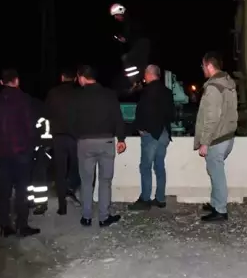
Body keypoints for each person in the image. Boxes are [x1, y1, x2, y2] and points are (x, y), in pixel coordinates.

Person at [0, 69, 40, 237]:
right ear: (16, 81)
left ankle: (4, 226)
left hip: (0, 152)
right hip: (21, 152)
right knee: (22, 189)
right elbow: (31, 126)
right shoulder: (24, 99)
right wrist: (32, 146)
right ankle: (22, 225)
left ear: (1, 82)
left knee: (4, 189)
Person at [69, 65, 126, 227]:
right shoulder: (109, 95)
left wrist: (78, 136)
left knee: (86, 181)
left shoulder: (77, 96)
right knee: (105, 181)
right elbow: (118, 118)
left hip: (85, 142)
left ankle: (86, 216)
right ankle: (103, 217)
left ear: (81, 77)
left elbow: (70, 121)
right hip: (106, 142)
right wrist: (121, 139)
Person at [193, 52, 238, 222]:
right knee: (214, 171)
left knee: (217, 174)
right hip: (227, 136)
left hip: (217, 138)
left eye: (203, 66)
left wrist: (205, 142)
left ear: (209, 66)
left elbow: (211, 118)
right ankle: (215, 203)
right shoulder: (228, 83)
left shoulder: (213, 87)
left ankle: (220, 210)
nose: (202, 69)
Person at [129, 64, 175, 211]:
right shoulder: (167, 92)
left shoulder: (147, 91)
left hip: (151, 135)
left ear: (149, 74)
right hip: (164, 134)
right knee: (159, 166)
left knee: (145, 167)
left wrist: (141, 129)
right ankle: (160, 199)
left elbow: (143, 112)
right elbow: (171, 114)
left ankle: (145, 199)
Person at [45, 68, 81, 214]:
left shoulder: (53, 93)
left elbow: (46, 113)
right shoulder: (79, 94)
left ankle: (62, 206)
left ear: (61, 77)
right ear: (74, 79)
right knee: (76, 168)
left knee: (60, 171)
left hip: (58, 137)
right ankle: (71, 190)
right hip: (75, 137)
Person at [27, 97, 52, 215]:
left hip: (38, 149)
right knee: (36, 178)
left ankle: (40, 203)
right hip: (42, 149)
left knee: (37, 178)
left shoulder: (36, 117)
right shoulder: (46, 115)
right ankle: (34, 201)